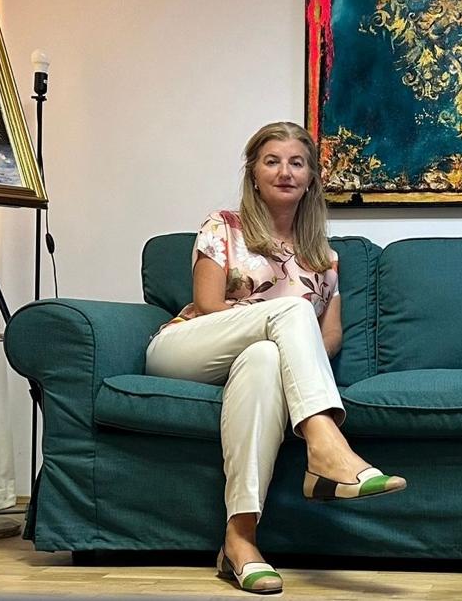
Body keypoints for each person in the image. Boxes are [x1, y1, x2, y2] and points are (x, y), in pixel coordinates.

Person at [145, 121, 406, 595]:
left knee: (266, 357)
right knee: (291, 310)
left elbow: (329, 338)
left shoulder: (323, 257)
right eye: (272, 161)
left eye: (296, 163)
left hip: (254, 361)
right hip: (189, 348)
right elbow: (208, 305)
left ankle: (240, 541)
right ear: (254, 172)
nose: (285, 172)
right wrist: (283, 317)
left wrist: (285, 347)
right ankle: (324, 445)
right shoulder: (224, 226)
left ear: (310, 179)